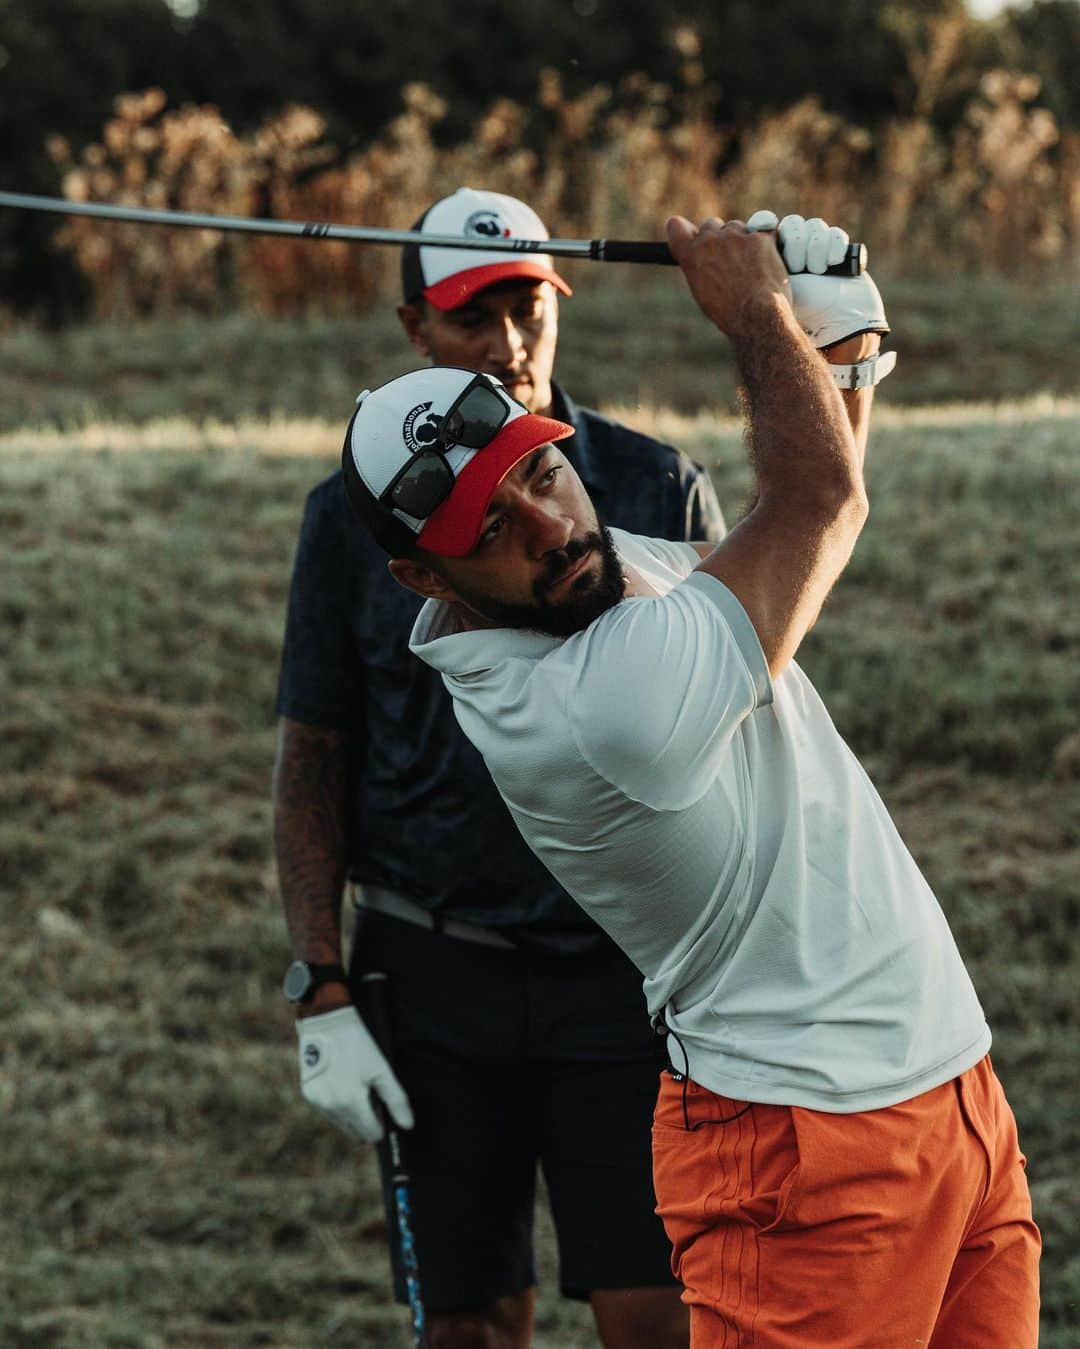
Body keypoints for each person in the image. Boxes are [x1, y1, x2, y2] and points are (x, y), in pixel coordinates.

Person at [338, 211, 1041, 1348]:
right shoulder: (592, 706)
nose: (549, 525)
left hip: (944, 1094)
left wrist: (842, 355)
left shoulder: (603, 573)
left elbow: (792, 561)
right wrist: (756, 310)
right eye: (493, 526)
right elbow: (819, 502)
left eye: (541, 471)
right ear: (428, 575)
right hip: (808, 1153)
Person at [273, 188, 725, 1349]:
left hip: (624, 974)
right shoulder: (356, 521)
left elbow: (738, 736)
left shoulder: (653, 482)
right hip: (434, 965)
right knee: (468, 1326)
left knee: (663, 1315)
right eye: (476, 318)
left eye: (530, 307)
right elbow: (316, 751)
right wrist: (320, 979)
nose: (511, 346)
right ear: (416, 329)